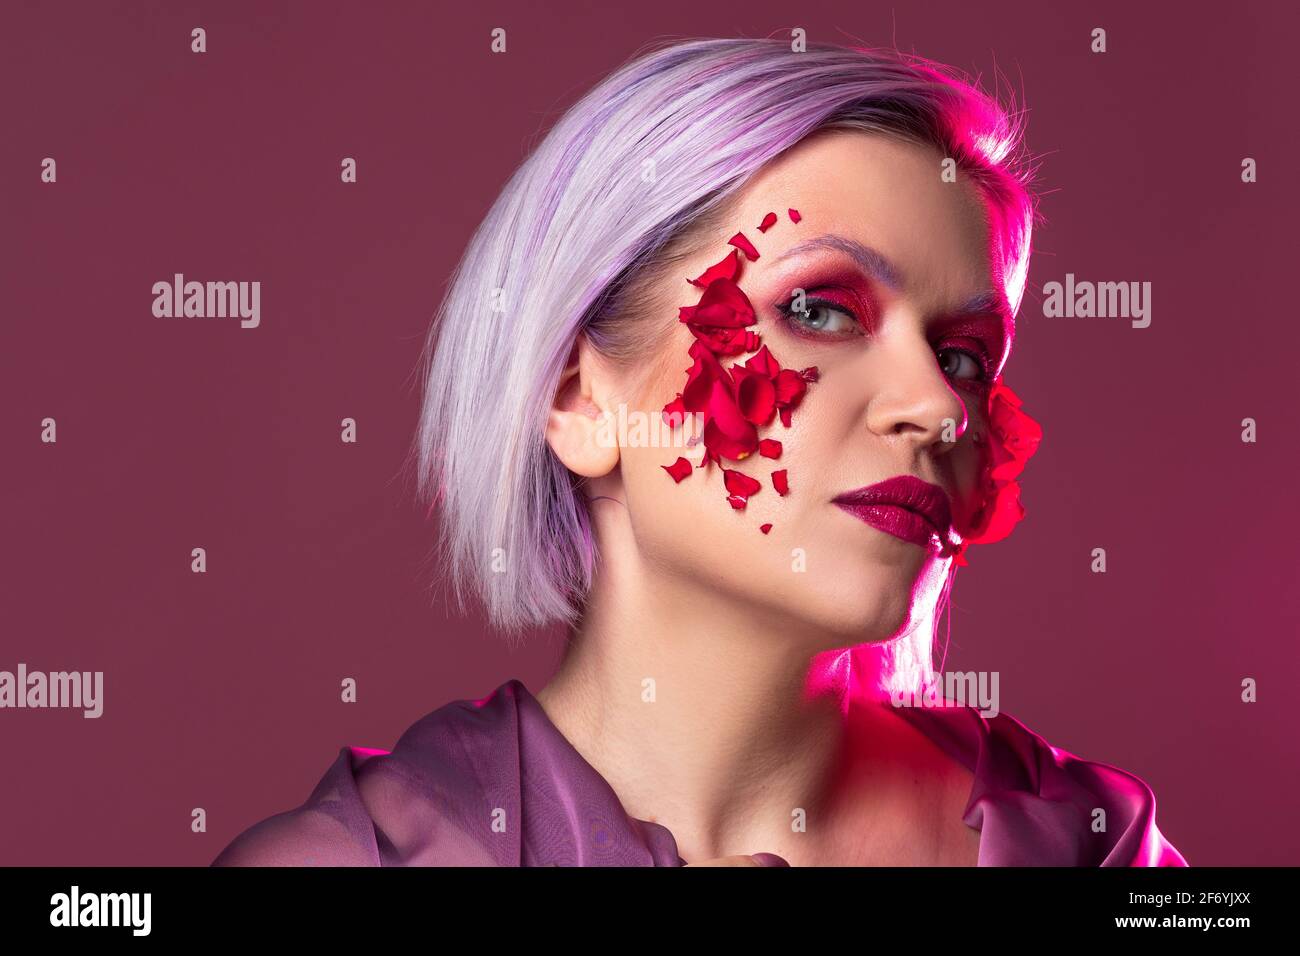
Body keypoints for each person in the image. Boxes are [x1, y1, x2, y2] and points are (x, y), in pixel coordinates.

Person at [212, 37, 1186, 867]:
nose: (936, 405)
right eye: (818, 308)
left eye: (964, 354)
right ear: (578, 397)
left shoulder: (1078, 842)